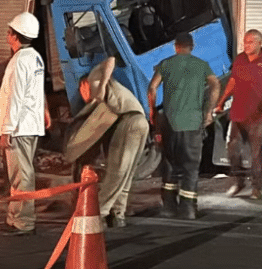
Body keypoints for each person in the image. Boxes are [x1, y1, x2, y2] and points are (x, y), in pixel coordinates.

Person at [147, 32, 220, 219]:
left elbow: (152, 88)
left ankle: (169, 207)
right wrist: (208, 111)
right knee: (190, 166)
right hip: (192, 122)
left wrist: (152, 112)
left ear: (175, 46)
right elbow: (215, 85)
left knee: (170, 164)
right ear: (192, 46)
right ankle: (188, 209)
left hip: (169, 123)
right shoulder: (202, 66)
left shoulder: (166, 64)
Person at [78, 56, 149, 228]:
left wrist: (101, 86)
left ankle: (99, 214)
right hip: (141, 123)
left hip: (129, 121)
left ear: (83, 85)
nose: (83, 97)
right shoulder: (105, 100)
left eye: (81, 92)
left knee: (116, 172)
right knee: (126, 173)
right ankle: (118, 214)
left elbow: (110, 59)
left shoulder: (94, 79)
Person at [0, 12, 50, 236]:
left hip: (19, 128)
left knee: (21, 176)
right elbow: (35, 91)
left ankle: (23, 222)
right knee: (20, 175)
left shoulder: (19, 62)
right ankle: (14, 218)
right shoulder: (35, 57)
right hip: (29, 125)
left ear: (15, 36)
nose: (7, 35)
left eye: (9, 32)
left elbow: (15, 97)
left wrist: (6, 130)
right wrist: (45, 111)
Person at [213, 29, 262, 200]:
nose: (246, 45)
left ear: (259, 43)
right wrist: (221, 101)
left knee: (256, 153)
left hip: (258, 117)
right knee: (232, 149)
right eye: (245, 42)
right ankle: (238, 180)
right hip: (238, 114)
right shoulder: (240, 60)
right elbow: (233, 81)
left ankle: (257, 188)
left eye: (250, 42)